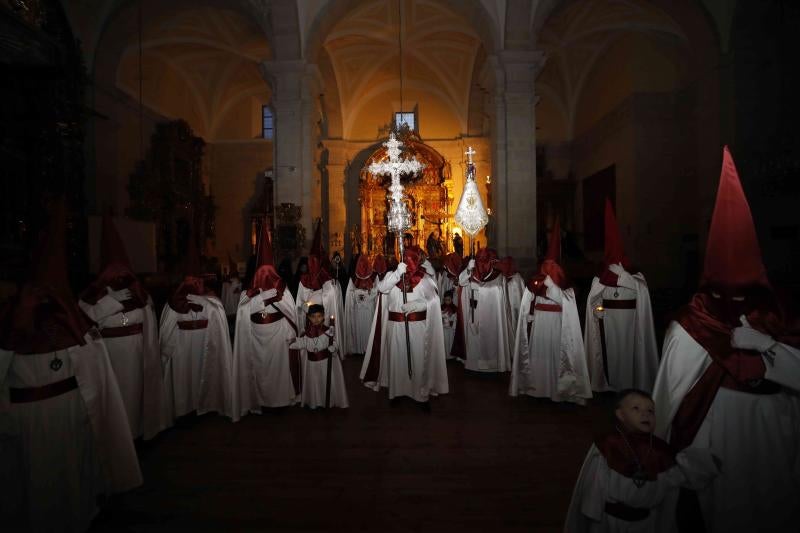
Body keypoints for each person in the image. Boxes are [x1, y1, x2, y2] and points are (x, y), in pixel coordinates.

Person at [651, 147, 800, 532]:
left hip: (772, 427)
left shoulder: (779, 317)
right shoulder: (693, 320)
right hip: (714, 429)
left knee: (769, 499)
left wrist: (768, 349)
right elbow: (673, 389)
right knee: (722, 506)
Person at [0, 200, 141, 532]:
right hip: (27, 419)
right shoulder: (10, 322)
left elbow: (92, 363)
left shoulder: (73, 321)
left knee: (72, 476)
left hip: (70, 410)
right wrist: (20, 322)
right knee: (32, 486)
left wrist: (73, 326)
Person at [565, 389, 719, 532]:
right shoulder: (609, 445)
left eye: (650, 411)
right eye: (636, 409)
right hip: (609, 521)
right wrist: (592, 514)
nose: (645, 414)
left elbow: (678, 477)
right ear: (620, 414)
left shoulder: (661, 451)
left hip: (646, 524)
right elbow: (595, 483)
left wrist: (707, 464)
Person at [79, 213, 165, 441]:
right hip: (109, 353)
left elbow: (149, 315)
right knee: (113, 395)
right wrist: (112, 303)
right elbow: (85, 319)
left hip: (136, 350)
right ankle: (114, 438)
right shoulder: (93, 295)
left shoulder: (137, 292)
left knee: (134, 393)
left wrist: (140, 301)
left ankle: (136, 433)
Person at [510, 220, 591, 404]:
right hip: (539, 322)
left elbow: (566, 302)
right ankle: (537, 389)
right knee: (539, 356)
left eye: (551, 267)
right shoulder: (535, 281)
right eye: (545, 266)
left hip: (556, 324)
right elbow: (527, 300)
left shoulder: (566, 288)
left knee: (554, 356)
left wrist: (551, 287)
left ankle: (556, 390)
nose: (547, 270)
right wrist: (529, 312)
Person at [584, 200, 659, 392]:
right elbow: (594, 299)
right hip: (608, 321)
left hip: (630, 322)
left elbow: (641, 290)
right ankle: (609, 384)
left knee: (629, 354)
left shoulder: (635, 276)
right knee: (612, 353)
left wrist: (623, 276)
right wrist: (596, 312)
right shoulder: (601, 277)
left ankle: (631, 385)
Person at [360, 248, 449, 408]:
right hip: (394, 327)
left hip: (418, 328)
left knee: (418, 359)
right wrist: (396, 275)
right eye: (405, 258)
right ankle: (396, 393)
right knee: (396, 358)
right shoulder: (391, 276)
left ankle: (420, 396)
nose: (408, 262)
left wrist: (419, 304)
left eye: (411, 259)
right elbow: (381, 288)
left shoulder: (425, 279)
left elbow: (434, 301)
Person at [160, 235, 233, 421]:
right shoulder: (173, 303)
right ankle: (183, 410)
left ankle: (206, 405)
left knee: (202, 374)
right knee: (183, 379)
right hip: (181, 348)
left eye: (197, 281)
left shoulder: (212, 303)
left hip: (204, 345)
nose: (195, 284)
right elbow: (166, 331)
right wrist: (167, 349)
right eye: (191, 281)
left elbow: (219, 328)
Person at [232, 222, 300, 419]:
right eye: (261, 274)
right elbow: (243, 310)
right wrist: (262, 297)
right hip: (256, 336)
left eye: (268, 273)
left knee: (278, 371)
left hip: (277, 333)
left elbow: (289, 311)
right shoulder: (249, 292)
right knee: (258, 371)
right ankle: (259, 402)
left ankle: (279, 402)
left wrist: (289, 332)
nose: (265, 277)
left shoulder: (282, 288)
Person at [452, 248, 513, 372]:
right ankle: (473, 365)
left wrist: (480, 289)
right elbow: (461, 281)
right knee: (474, 338)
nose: (481, 264)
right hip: (473, 310)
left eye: (484, 261)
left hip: (492, 316)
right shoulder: (471, 270)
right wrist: (468, 269)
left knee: (491, 339)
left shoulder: (498, 276)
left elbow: (498, 294)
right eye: (479, 261)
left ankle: (492, 364)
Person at [296, 221, 346, 355]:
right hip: (309, 322)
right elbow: (299, 304)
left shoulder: (329, 283)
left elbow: (332, 306)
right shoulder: (304, 281)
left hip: (323, 323)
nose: (312, 265)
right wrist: (304, 306)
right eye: (310, 261)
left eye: (315, 261)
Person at [290, 304, 348, 409]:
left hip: (325, 363)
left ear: (323, 316)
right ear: (308, 317)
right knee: (315, 383)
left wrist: (333, 348)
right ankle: (315, 402)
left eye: (319, 316)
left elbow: (334, 342)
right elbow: (302, 343)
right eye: (313, 317)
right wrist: (289, 343)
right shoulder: (306, 333)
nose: (316, 319)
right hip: (312, 365)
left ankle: (328, 401)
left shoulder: (328, 330)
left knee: (325, 382)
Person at [344, 254, 378, 357]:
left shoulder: (373, 277)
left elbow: (376, 292)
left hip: (369, 310)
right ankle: (358, 349)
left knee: (368, 328)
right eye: (360, 264)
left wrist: (369, 293)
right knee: (358, 328)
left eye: (364, 265)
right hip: (357, 311)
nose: (362, 267)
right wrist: (357, 294)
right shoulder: (353, 278)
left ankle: (368, 349)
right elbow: (350, 295)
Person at [498, 255, 526, 328]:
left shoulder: (517, 279)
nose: (504, 266)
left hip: (514, 311)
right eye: (503, 263)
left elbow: (520, 298)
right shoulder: (500, 278)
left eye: (506, 264)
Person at [441, 291, 457, 357]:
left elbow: (456, 318)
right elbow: (439, 317)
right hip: (443, 329)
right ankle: (445, 356)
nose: (447, 301)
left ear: (451, 299)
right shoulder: (441, 307)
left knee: (451, 341)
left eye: (448, 300)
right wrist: (442, 317)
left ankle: (451, 356)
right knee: (444, 342)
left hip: (451, 329)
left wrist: (452, 320)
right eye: (445, 300)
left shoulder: (454, 308)